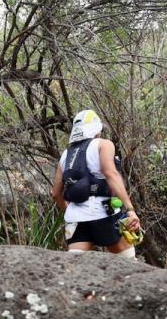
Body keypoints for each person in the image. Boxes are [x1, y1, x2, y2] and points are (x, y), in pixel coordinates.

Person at [51, 109, 141, 256]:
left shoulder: (66, 155)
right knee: (128, 264)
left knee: (76, 269)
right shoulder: (104, 144)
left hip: (75, 220)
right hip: (104, 216)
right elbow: (110, 174)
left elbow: (55, 193)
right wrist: (130, 209)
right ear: (96, 128)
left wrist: (71, 211)